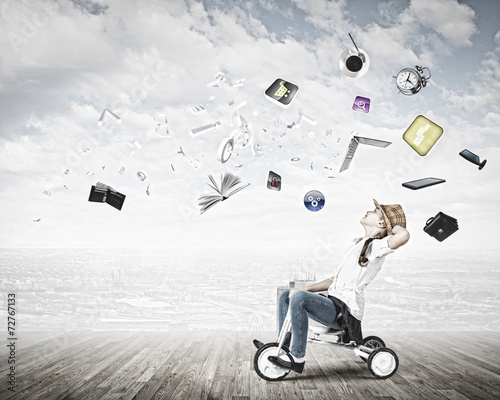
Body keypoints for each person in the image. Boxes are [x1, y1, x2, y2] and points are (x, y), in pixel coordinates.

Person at [253, 199, 410, 374]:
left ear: (381, 222)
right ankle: (283, 347)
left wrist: (391, 226)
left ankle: (297, 357)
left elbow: (403, 236)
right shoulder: (357, 243)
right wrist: (303, 290)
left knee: (298, 298)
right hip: (333, 302)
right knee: (287, 295)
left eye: (375, 211)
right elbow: (333, 280)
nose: (368, 210)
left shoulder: (376, 246)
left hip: (343, 312)